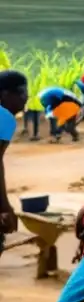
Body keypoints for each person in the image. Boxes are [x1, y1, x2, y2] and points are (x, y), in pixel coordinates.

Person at [0, 70, 29, 240]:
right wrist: (4, 207)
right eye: (21, 92)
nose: (26, 97)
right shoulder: (4, 118)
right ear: (4, 94)